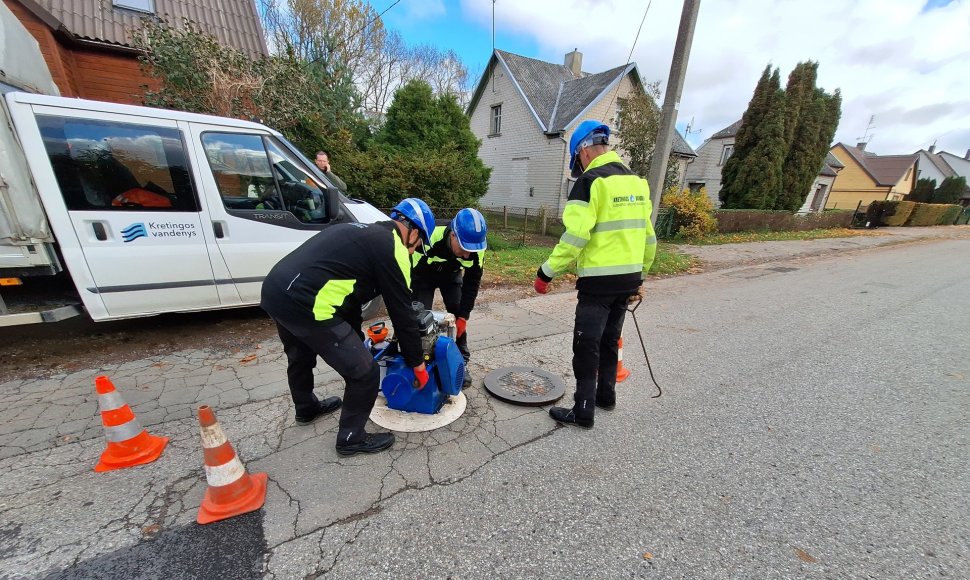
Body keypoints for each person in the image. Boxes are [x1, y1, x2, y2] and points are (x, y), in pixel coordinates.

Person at [260, 198, 436, 456]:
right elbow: (403, 314)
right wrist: (417, 363)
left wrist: (355, 339)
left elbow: (347, 299)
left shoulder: (357, 230)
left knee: (300, 355)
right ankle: (352, 438)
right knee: (365, 372)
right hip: (305, 302)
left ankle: (306, 408)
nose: (415, 251)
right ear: (414, 233)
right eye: (418, 246)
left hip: (276, 292)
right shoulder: (393, 248)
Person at [533, 120, 656, 429]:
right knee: (610, 339)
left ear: (583, 151)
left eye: (578, 159)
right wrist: (640, 276)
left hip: (598, 283)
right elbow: (649, 238)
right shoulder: (637, 183)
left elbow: (575, 237)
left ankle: (583, 410)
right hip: (628, 279)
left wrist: (546, 272)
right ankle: (606, 396)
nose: (580, 164)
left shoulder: (590, 183)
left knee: (586, 343)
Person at [411, 208, 488, 385]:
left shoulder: (477, 246)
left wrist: (463, 316)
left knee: (457, 311)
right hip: (422, 276)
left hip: (451, 275)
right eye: (464, 248)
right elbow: (410, 274)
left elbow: (472, 283)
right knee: (420, 319)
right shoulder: (429, 235)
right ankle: (420, 361)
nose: (468, 254)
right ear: (453, 235)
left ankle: (461, 361)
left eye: (471, 250)